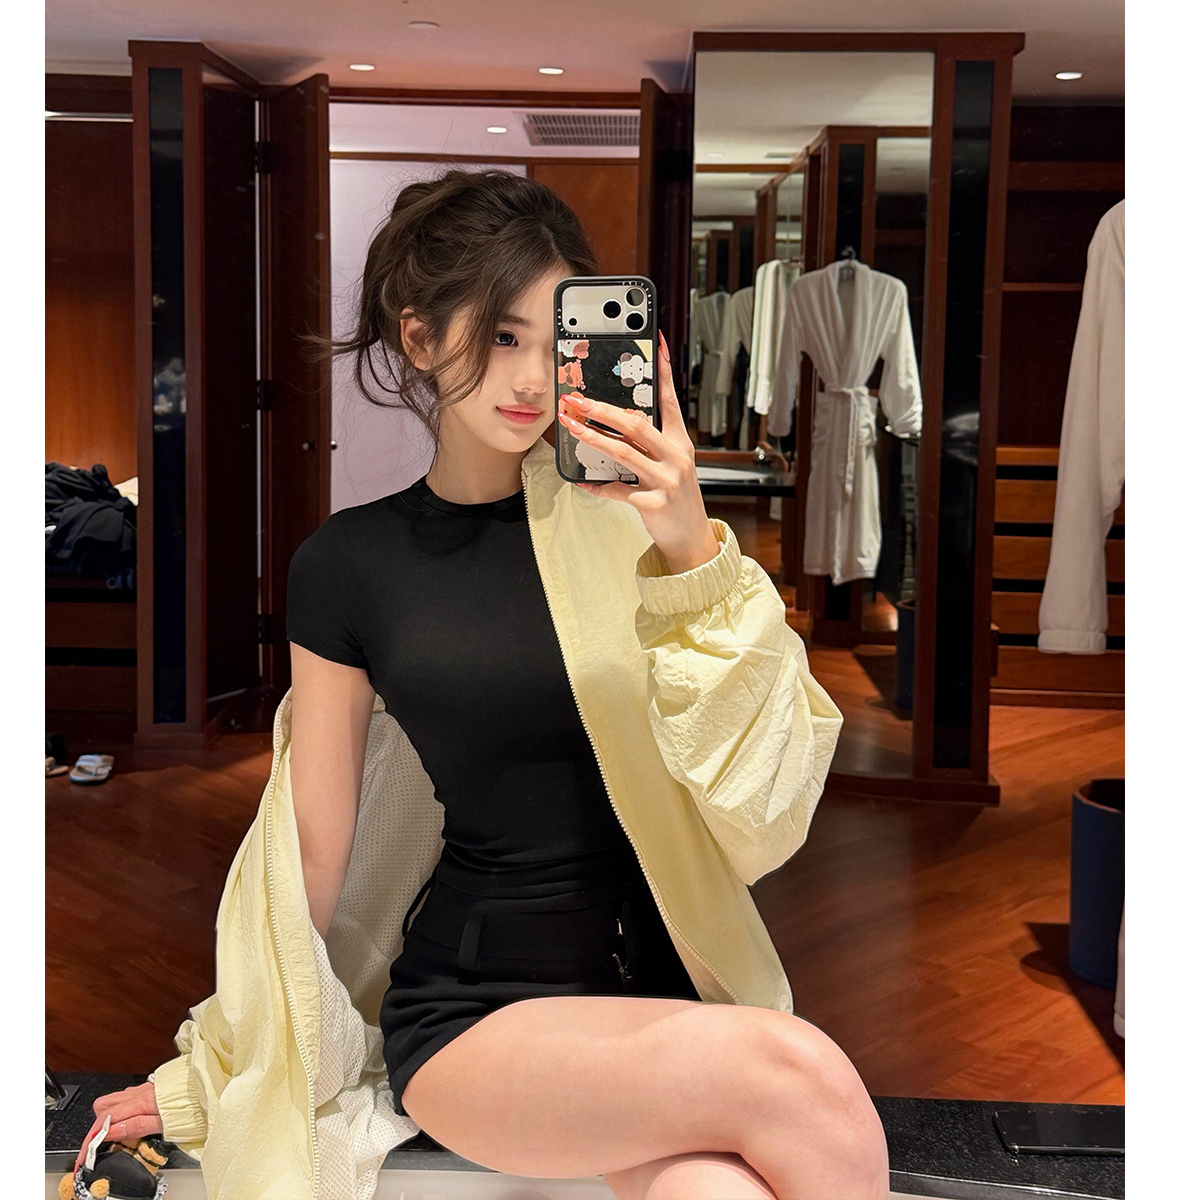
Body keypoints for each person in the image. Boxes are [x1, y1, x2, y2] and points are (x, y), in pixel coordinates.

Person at [75, 171, 889, 1200]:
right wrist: (220, 1060)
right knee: (804, 1075)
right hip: (480, 1013)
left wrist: (688, 542)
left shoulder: (641, 532)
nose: (533, 376)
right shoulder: (351, 566)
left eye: (557, 341)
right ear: (419, 339)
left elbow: (765, 796)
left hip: (665, 995)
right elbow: (312, 853)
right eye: (502, 335)